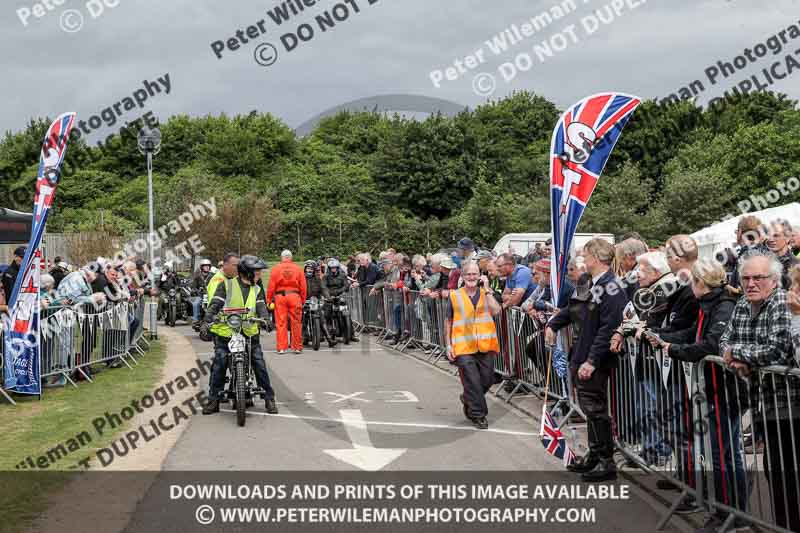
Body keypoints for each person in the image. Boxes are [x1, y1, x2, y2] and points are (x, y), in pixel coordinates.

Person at [648, 258, 747, 529]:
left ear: (701, 283)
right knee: (724, 453)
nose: (689, 285)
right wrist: (661, 337)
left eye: (692, 281)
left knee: (721, 454)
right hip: (713, 387)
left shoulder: (724, 304)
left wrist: (673, 350)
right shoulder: (710, 303)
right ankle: (732, 511)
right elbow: (694, 333)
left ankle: (729, 512)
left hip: (724, 389)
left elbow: (711, 344)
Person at [719, 251, 798, 532]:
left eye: (758, 278)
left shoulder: (781, 303)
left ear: (775, 281)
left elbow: (777, 350)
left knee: (787, 473)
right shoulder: (741, 303)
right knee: (774, 471)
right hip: (761, 402)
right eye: (746, 278)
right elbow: (723, 340)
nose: (751, 283)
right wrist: (738, 355)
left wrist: (739, 355)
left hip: (789, 404)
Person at [546, 238, 627, 482]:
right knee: (589, 409)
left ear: (596, 257)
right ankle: (594, 455)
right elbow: (573, 310)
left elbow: (608, 328)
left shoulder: (612, 287)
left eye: (587, 254)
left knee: (596, 409)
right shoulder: (587, 283)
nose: (584, 258)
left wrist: (591, 361)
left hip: (595, 358)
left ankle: (606, 461)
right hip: (580, 352)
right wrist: (553, 324)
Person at [201, 255, 277, 415]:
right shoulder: (226, 285)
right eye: (257, 272)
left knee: (259, 364)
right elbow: (215, 303)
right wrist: (206, 321)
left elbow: (261, 305)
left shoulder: (256, 288)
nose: (260, 275)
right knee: (219, 363)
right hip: (227, 332)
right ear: (247, 272)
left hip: (249, 333)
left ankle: (269, 398)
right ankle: (213, 400)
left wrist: (266, 319)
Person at [445, 260, 501, 430]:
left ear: (480, 276)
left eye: (475, 274)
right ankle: (479, 414)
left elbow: (496, 311)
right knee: (472, 380)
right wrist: (448, 345)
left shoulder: (487, 293)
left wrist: (487, 290)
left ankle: (468, 398)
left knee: (487, 379)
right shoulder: (454, 295)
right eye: (468, 274)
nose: (471, 277)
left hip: (485, 344)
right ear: (462, 276)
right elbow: (448, 321)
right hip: (463, 347)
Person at [266, 250, 307, 355]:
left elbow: (271, 286)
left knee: (281, 322)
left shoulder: (276, 269)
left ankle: (281, 348)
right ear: (291, 257)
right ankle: (297, 347)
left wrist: (269, 299)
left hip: (280, 297)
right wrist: (302, 300)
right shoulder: (298, 269)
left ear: (282, 257)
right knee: (296, 322)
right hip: (295, 296)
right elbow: (303, 286)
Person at [766, 218, 798, 289]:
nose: (770, 239)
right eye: (768, 235)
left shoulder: (795, 265)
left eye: (776, 236)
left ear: (787, 238)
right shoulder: (764, 261)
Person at [189, 259, 215, 325]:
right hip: (200, 295)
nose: (207, 267)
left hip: (211, 295)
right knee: (196, 303)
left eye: (208, 266)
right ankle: (196, 319)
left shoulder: (213, 276)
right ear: (201, 267)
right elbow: (193, 286)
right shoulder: (197, 276)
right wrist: (195, 290)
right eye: (205, 266)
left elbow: (217, 284)